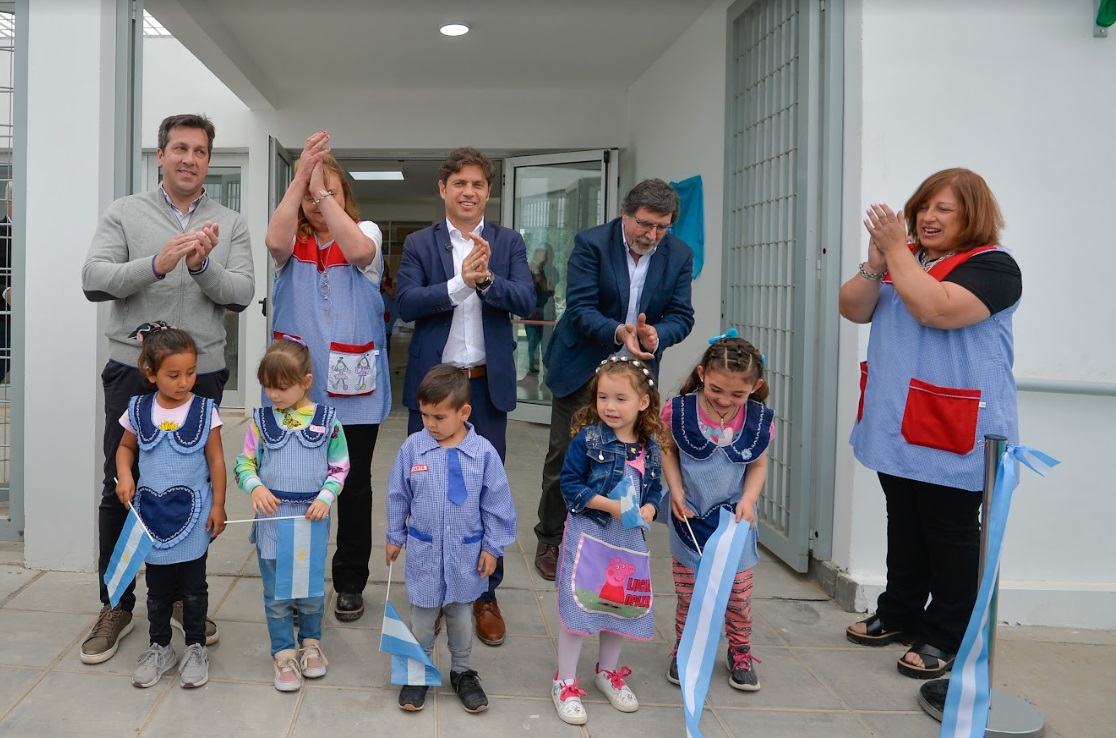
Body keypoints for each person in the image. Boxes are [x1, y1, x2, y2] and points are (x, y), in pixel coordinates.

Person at [81, 113, 254, 664]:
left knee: (191, 485)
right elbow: (94, 279)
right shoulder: (124, 212)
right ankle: (115, 603)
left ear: (208, 160)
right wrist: (156, 264)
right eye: (179, 148)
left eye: (199, 151)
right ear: (160, 155)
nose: (189, 159)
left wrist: (202, 266)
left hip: (201, 374)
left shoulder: (231, 222)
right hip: (132, 372)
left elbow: (241, 293)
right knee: (121, 485)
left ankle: (178, 594)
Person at [839, 168, 1022, 679]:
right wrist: (876, 265)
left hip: (954, 424)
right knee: (904, 518)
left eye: (943, 208)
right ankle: (900, 611)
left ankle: (946, 633)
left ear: (973, 215)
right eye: (923, 206)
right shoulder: (909, 260)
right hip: (896, 418)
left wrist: (896, 252)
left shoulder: (994, 266)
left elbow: (934, 310)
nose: (927, 216)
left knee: (950, 531)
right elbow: (853, 308)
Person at [395, 147, 535, 645]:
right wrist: (460, 283)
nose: (469, 192)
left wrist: (489, 280)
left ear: (488, 191)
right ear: (443, 189)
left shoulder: (509, 242)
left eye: (477, 184)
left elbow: (527, 299)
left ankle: (484, 594)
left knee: (485, 491)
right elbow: (406, 303)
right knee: (426, 490)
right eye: (459, 183)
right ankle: (431, 593)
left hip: (485, 385)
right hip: (435, 386)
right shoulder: (420, 243)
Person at [534, 179, 695, 581]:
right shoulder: (591, 244)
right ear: (625, 214)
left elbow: (682, 315)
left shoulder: (679, 254)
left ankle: (612, 534)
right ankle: (551, 537)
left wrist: (658, 334)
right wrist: (620, 332)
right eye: (644, 224)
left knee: (629, 458)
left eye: (662, 227)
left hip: (637, 376)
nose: (652, 235)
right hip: (582, 365)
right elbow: (580, 308)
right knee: (565, 455)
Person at [265, 132, 389, 623]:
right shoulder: (290, 243)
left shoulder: (367, 231)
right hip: (296, 390)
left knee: (352, 487)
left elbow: (357, 252)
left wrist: (320, 191)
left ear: (343, 196)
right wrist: (301, 177)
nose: (318, 203)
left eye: (329, 192)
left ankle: (350, 582)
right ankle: (299, 583)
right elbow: (274, 241)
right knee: (296, 486)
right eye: (311, 195)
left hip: (354, 392)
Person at [386, 365, 517, 713]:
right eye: (425, 415)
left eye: (439, 417)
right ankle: (418, 672)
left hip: (465, 557)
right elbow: (398, 495)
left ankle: (462, 671)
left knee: (460, 617)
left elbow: (497, 504)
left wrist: (492, 547)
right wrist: (395, 535)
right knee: (422, 620)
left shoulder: (484, 453)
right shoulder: (413, 449)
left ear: (464, 412)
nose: (430, 424)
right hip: (425, 554)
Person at [550, 357, 669, 726]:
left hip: (627, 541)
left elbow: (654, 489)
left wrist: (650, 507)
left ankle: (608, 672)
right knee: (580, 604)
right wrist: (610, 506)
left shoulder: (650, 448)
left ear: (643, 402)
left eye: (621, 398)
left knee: (617, 606)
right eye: (603, 397)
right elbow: (570, 485)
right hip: (591, 535)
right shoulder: (587, 440)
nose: (610, 406)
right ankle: (564, 681)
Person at [114, 324, 227, 689]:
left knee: (194, 587)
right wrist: (125, 475)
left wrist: (219, 504)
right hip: (152, 516)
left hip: (194, 516)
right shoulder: (138, 409)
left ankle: (195, 647)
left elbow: (216, 461)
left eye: (191, 373)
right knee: (158, 589)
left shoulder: (205, 411)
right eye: (174, 375)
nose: (184, 382)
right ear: (151, 373)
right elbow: (126, 448)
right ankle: (160, 647)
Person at [234, 339, 349, 692]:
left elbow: (340, 467)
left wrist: (327, 497)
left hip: (311, 520)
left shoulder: (328, 421)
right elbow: (244, 464)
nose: (274, 395)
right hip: (273, 522)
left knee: (311, 590)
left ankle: (311, 643)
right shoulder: (260, 422)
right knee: (277, 595)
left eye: (282, 387)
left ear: (306, 381)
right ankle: (283, 653)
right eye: (267, 386)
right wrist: (255, 487)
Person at [661, 333, 773, 691]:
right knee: (689, 592)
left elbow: (758, 465)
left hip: (734, 522)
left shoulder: (757, 420)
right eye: (716, 390)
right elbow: (667, 450)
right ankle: (685, 647)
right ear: (701, 375)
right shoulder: (678, 411)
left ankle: (740, 650)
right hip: (689, 516)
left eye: (737, 394)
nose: (725, 400)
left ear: (755, 387)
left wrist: (749, 500)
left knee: (738, 593)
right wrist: (675, 489)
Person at [526, 242, 556, 374]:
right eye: (538, 252)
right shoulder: (528, 270)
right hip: (532, 312)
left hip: (547, 311)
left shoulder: (552, 271)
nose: (541, 256)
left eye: (544, 253)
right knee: (532, 342)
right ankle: (532, 370)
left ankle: (546, 373)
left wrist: (537, 272)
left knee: (546, 343)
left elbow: (548, 288)